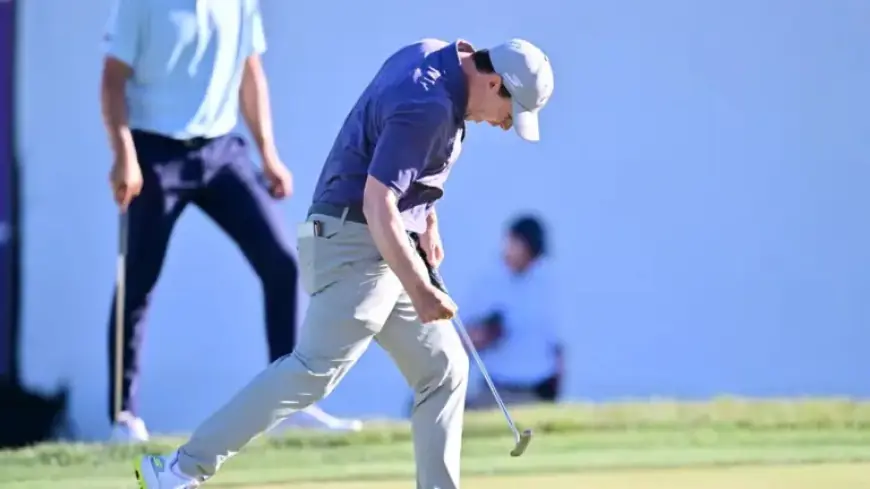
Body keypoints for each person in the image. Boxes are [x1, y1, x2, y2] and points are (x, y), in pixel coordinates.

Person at [133, 37, 555, 488]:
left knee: (445, 369)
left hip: (377, 238)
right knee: (312, 371)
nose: (505, 126)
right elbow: (378, 202)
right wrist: (420, 288)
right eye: (510, 115)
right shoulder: (429, 105)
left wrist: (426, 220)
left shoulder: (434, 55)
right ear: (494, 83)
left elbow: (394, 159)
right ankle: (178, 471)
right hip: (356, 240)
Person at [100, 0, 360, 444]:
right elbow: (112, 82)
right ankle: (123, 417)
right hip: (155, 153)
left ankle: (291, 404)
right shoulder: (140, 5)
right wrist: (124, 155)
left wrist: (269, 154)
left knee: (282, 262)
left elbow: (249, 73)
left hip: (222, 152)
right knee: (137, 280)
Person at [464, 215, 564, 409]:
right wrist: (486, 334)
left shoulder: (548, 286)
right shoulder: (487, 284)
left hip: (535, 391)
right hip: (496, 390)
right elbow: (463, 339)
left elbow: (558, 346)